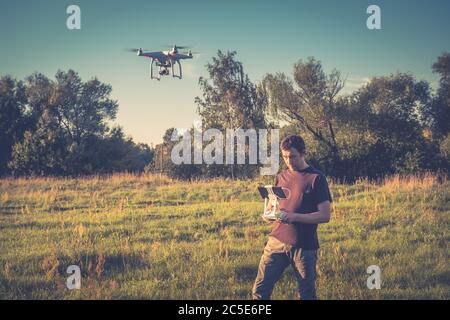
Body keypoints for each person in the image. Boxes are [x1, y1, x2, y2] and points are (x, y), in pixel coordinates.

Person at [252, 135, 332, 300]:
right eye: (285, 157)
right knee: (260, 290)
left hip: (304, 246)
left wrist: (294, 217)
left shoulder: (316, 178)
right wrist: (269, 214)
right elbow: (274, 204)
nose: (288, 161)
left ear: (303, 153)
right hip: (276, 241)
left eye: (292, 156)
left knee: (307, 294)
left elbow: (325, 215)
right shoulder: (281, 176)